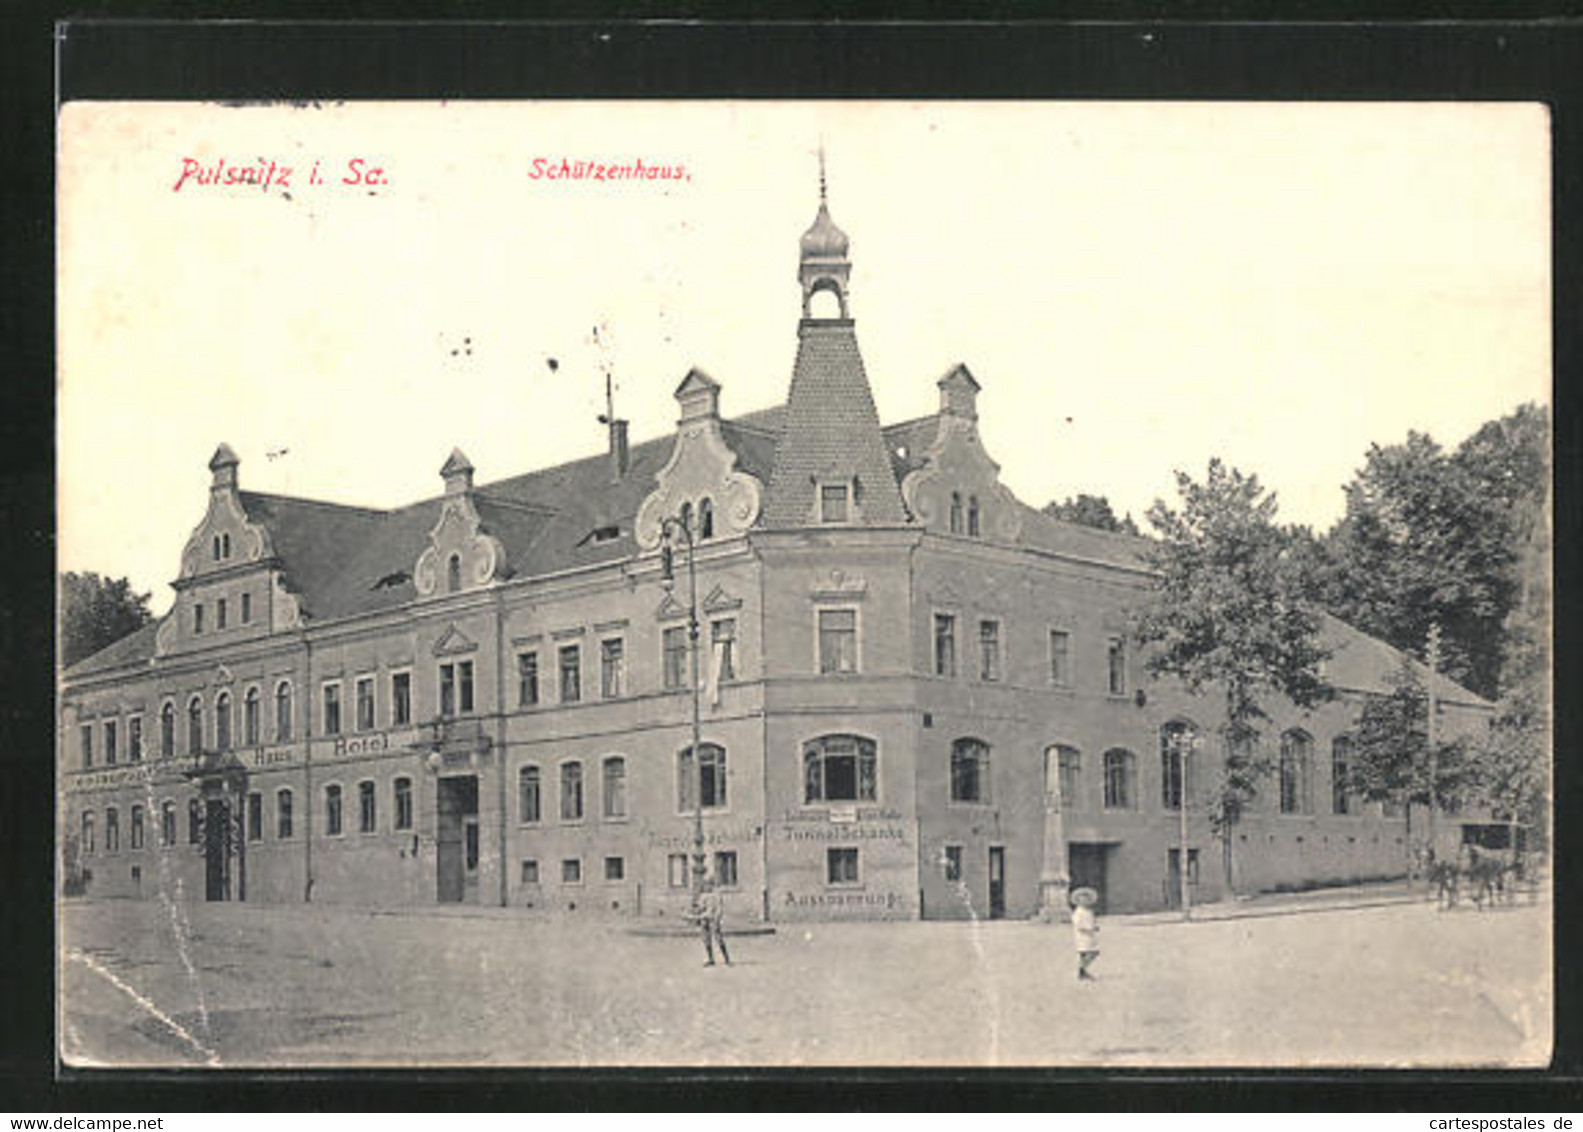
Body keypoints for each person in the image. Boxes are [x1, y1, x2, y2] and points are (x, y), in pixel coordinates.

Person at [693, 876, 732, 967]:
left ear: (712, 885)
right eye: (706, 885)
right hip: (705, 919)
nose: (707, 887)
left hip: (713, 919)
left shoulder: (716, 896)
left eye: (709, 884)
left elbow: (719, 908)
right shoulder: (703, 896)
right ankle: (710, 958)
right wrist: (697, 911)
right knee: (706, 939)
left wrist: (717, 918)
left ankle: (726, 959)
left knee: (718, 939)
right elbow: (701, 908)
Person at [1071, 887, 1099, 981]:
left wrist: (1094, 926)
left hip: (1090, 936)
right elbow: (1079, 925)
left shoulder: (1089, 911)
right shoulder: (1078, 912)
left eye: (1086, 899)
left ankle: (1082, 971)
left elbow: (1092, 921)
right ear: (1078, 901)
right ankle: (1082, 970)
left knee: (1089, 953)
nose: (1084, 901)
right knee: (1091, 953)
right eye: (1082, 899)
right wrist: (1089, 929)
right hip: (1083, 936)